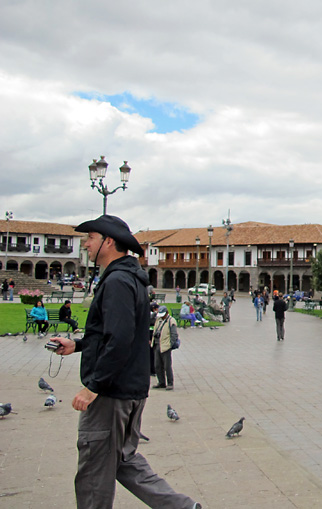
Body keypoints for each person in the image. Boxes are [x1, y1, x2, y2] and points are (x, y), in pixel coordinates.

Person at [49, 214, 200, 509]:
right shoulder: (129, 278)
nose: (86, 245)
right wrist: (77, 345)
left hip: (112, 393)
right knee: (122, 460)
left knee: (94, 470)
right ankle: (182, 507)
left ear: (108, 242)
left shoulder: (117, 281)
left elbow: (119, 340)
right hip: (131, 388)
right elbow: (117, 334)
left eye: (90, 238)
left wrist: (93, 386)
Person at [151, 306, 179, 390]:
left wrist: (170, 344)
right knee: (157, 365)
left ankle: (170, 383)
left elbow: (174, 334)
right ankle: (161, 382)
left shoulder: (171, 321)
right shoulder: (158, 320)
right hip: (157, 344)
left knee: (167, 366)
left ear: (167, 313)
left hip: (165, 346)